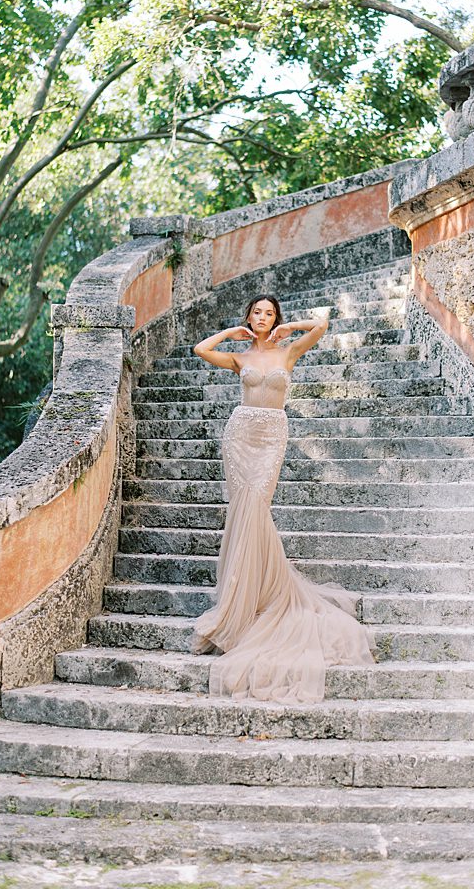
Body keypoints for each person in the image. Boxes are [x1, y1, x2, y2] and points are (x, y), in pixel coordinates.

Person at [188, 294, 376, 703]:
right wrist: (230, 334)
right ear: (248, 317)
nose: (262, 318)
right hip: (240, 437)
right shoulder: (239, 359)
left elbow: (321, 328)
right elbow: (202, 350)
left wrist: (290, 329)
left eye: (269, 313)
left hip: (272, 436)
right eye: (256, 312)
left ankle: (259, 593)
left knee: (258, 507)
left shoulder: (289, 351)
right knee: (244, 511)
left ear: (276, 318)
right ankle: (239, 598)